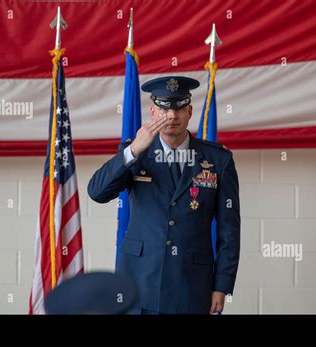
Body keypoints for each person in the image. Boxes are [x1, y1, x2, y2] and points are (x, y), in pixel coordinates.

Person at [88, 76, 240, 314]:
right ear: (152, 112)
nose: (172, 115)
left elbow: (229, 230)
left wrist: (221, 285)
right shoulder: (135, 153)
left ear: (189, 111)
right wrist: (133, 151)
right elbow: (97, 192)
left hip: (191, 284)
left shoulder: (218, 160)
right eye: (164, 108)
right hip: (139, 283)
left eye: (179, 107)